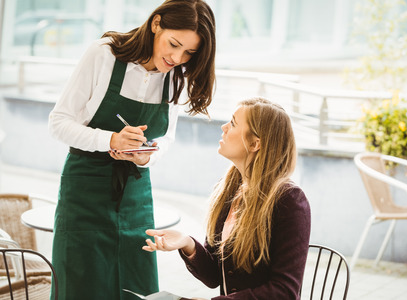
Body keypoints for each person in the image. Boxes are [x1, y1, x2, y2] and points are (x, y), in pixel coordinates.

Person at [48, 0, 215, 299]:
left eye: (189, 52)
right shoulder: (104, 54)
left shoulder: (176, 76)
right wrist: (110, 140)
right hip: (84, 189)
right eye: (174, 44)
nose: (177, 58)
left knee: (135, 285)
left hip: (135, 194)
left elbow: (167, 139)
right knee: (80, 283)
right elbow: (59, 122)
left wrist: (145, 156)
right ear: (156, 24)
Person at [143, 97, 311, 299]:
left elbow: (284, 292)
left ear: (255, 143)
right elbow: (214, 276)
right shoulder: (230, 190)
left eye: (233, 123)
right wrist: (186, 243)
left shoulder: (290, 201)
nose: (223, 127)